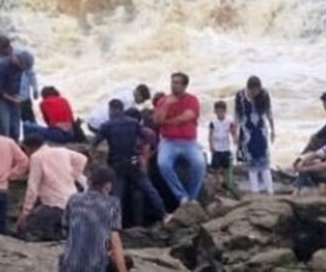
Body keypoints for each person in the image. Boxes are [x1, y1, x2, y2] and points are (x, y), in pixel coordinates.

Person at [91, 98, 165, 226]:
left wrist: (95, 161)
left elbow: (94, 145)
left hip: (117, 164)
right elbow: (149, 137)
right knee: (149, 189)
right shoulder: (133, 123)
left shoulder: (107, 125)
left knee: (117, 195)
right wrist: (144, 155)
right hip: (133, 162)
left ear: (112, 110)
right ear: (122, 110)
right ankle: (164, 214)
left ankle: (114, 224)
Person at [16, 133, 87, 242]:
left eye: (25, 150)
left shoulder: (37, 157)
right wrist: (73, 175)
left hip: (54, 204)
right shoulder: (61, 151)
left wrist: (25, 213)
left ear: (31, 147)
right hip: (72, 200)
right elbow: (82, 159)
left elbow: (32, 187)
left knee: (28, 229)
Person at [59, 166, 129, 272]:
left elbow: (65, 229)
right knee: (127, 262)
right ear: (107, 184)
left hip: (70, 265)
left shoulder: (73, 199)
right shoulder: (112, 203)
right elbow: (114, 239)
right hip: (96, 266)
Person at [154, 72, 206, 207]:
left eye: (177, 83)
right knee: (163, 163)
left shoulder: (192, 100)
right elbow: (158, 121)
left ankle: (192, 197)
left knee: (199, 164)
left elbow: (187, 116)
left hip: (189, 142)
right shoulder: (163, 101)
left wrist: (168, 121)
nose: (174, 85)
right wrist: (166, 106)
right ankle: (182, 196)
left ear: (184, 85)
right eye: (173, 82)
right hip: (168, 142)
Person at [0, 34, 34, 141]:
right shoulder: (1, 66)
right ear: (16, 60)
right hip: (1, 100)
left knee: (15, 129)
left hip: (14, 97)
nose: (22, 69)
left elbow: (29, 74)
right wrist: (13, 99)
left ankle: (15, 150)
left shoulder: (21, 59)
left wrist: (23, 96)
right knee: (5, 128)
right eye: (21, 66)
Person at [235, 77, 275, 195]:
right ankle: (255, 190)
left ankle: (270, 190)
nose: (254, 93)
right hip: (247, 131)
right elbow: (237, 115)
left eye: (257, 90)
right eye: (252, 91)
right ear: (248, 88)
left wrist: (273, 129)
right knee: (250, 160)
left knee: (264, 159)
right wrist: (235, 132)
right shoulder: (240, 96)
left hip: (260, 130)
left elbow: (269, 112)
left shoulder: (264, 94)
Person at [207, 100, 238, 197]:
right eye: (218, 111)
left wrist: (235, 139)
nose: (220, 113)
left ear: (225, 111)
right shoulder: (213, 122)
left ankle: (226, 183)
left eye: (221, 111)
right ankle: (218, 183)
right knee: (216, 168)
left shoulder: (229, 121)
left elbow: (233, 131)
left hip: (226, 147)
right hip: (216, 148)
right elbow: (210, 134)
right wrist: (211, 146)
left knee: (226, 167)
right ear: (215, 111)